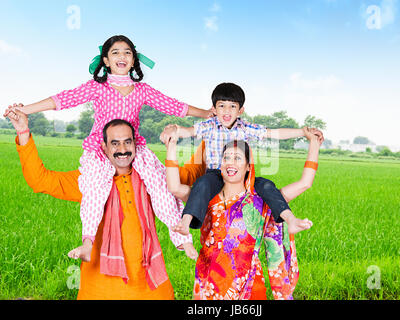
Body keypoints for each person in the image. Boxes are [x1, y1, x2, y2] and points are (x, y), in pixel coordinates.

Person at [6, 35, 212, 262]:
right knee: (93, 189)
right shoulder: (97, 87)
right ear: (105, 60)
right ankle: (87, 242)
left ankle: (182, 239)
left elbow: (174, 105)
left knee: (161, 187)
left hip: (134, 149)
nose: (122, 56)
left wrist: (206, 113)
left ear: (134, 60)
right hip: (100, 149)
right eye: (115, 52)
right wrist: (26, 109)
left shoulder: (141, 90)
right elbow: (62, 100)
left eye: (127, 52)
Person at [5, 108, 205, 299]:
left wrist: (219, 130)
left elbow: (191, 173)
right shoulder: (90, 182)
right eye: (115, 143)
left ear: (136, 143)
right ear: (104, 147)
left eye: (127, 142)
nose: (122, 150)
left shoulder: (153, 178)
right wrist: (23, 131)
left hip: (150, 285)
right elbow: (40, 180)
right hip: (99, 289)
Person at [163, 128, 321, 299]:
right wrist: (171, 146)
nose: (230, 163)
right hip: (208, 283)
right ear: (220, 164)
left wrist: (314, 143)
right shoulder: (207, 197)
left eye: (237, 158)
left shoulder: (260, 201)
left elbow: (305, 183)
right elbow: (174, 188)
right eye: (226, 158)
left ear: (248, 166)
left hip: (249, 286)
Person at [161, 82, 323, 237]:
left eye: (232, 106)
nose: (226, 111)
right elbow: (186, 131)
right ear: (214, 109)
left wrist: (303, 132)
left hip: (242, 176)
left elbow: (274, 133)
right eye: (221, 105)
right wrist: (172, 131)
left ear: (240, 110)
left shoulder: (245, 128)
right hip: (216, 174)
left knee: (266, 185)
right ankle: (185, 221)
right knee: (202, 183)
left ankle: (291, 219)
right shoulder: (208, 126)